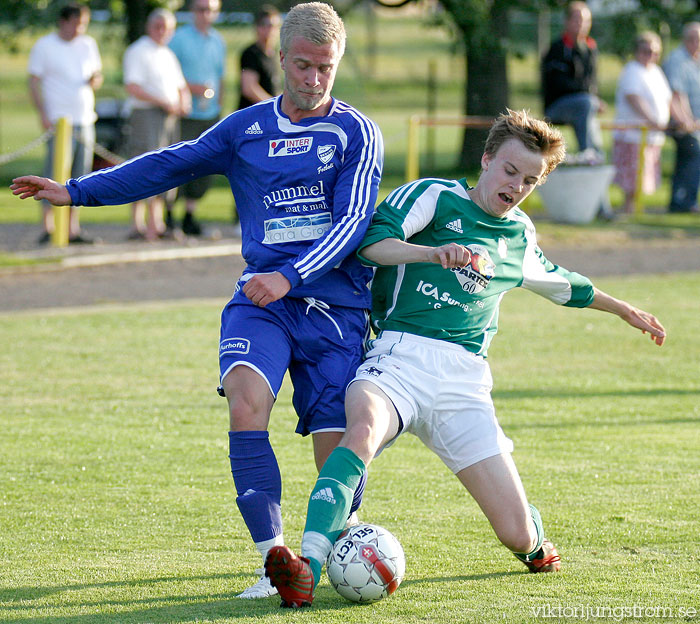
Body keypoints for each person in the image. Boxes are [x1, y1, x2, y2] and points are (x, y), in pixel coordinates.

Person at [11, 1, 383, 602]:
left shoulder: (356, 131)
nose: (314, 80)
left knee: (334, 451)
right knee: (243, 401)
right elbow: (168, 165)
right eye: (304, 66)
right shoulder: (246, 129)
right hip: (262, 301)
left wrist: (292, 275)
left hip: (335, 309)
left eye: (327, 68)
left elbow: (354, 221)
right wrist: (75, 191)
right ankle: (275, 563)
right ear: (280, 59)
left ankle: (325, 547)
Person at [263, 109, 667, 609]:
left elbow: (566, 285)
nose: (516, 186)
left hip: (463, 383)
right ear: (487, 159)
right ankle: (307, 568)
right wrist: (431, 253)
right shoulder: (436, 196)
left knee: (516, 535)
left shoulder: (519, 235)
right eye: (510, 171)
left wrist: (625, 309)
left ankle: (535, 539)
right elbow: (370, 245)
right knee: (362, 428)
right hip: (398, 357)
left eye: (530, 180)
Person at [28, 3, 102, 244]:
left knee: (80, 176)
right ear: (64, 21)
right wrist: (42, 113)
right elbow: (33, 82)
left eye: (84, 24)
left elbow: (96, 75)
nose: (80, 29)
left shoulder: (88, 45)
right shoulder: (45, 46)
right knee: (54, 173)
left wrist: (95, 80)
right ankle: (48, 227)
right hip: (58, 122)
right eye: (76, 23)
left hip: (85, 119)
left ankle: (72, 229)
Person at [123, 8, 191, 240]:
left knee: (166, 167)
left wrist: (183, 101)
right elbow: (133, 87)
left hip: (168, 116)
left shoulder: (167, 54)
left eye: (168, 27)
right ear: (149, 26)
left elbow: (181, 86)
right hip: (146, 114)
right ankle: (139, 224)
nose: (163, 32)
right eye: (158, 26)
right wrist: (163, 102)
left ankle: (157, 223)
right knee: (145, 165)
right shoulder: (138, 51)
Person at [168, 0, 226, 236]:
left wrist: (219, 103)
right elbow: (169, 73)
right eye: (201, 9)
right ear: (192, 12)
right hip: (184, 113)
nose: (205, 14)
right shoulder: (179, 38)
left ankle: (190, 216)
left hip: (209, 113)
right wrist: (192, 89)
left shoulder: (217, 41)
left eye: (210, 10)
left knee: (203, 166)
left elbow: (220, 75)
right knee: (178, 163)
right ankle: (169, 215)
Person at [612, 32, 672, 214]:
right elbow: (633, 97)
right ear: (637, 50)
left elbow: (669, 98)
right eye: (646, 51)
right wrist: (651, 120)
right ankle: (628, 209)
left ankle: (634, 208)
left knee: (643, 176)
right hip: (633, 134)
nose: (651, 55)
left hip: (651, 135)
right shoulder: (632, 70)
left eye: (655, 52)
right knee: (632, 178)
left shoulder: (656, 71)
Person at [541, 2, 604, 157]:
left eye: (585, 20)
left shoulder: (590, 49)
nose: (581, 24)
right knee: (586, 103)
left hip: (583, 104)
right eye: (577, 19)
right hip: (556, 106)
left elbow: (592, 81)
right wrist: (589, 96)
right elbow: (558, 84)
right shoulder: (557, 49)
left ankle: (595, 156)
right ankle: (589, 153)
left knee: (588, 105)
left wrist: (594, 97)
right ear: (566, 21)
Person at [663, 22, 700, 214]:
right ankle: (683, 201)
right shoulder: (677, 60)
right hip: (679, 122)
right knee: (694, 151)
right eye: (691, 38)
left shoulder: (696, 61)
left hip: (694, 123)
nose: (696, 42)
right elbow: (677, 95)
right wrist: (688, 123)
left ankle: (683, 199)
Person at [238, 5, 282, 110]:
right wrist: (274, 106)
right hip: (253, 114)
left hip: (267, 114)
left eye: (273, 25)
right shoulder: (251, 53)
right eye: (265, 25)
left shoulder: (273, 54)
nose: (269, 29)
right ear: (257, 27)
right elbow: (249, 89)